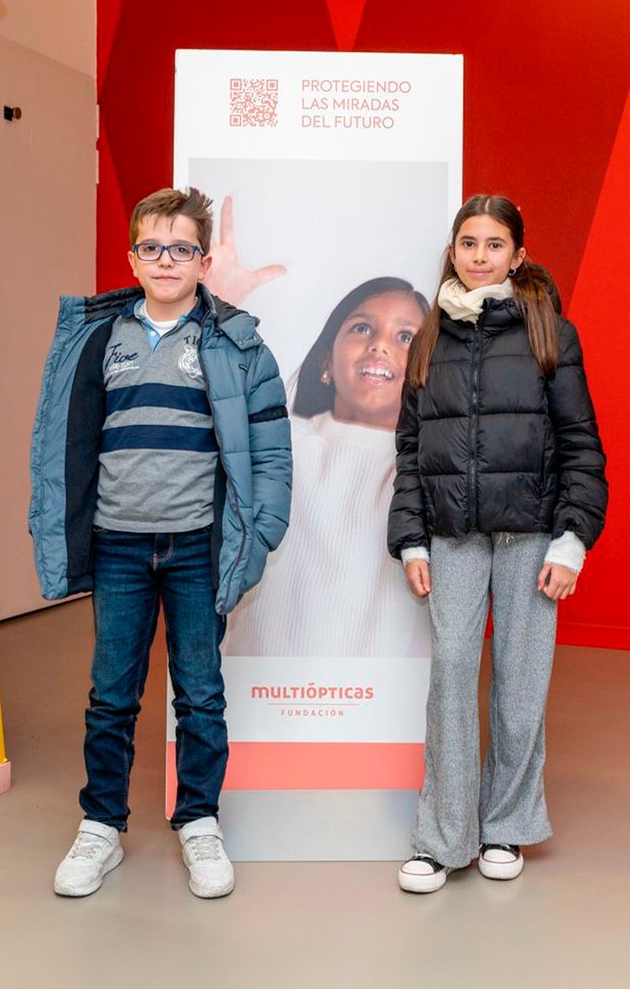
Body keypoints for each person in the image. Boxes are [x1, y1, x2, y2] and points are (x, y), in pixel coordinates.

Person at [29, 187, 292, 899]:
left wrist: (257, 535)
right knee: (111, 694)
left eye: (181, 249)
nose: (166, 259)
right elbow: (63, 441)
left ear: (203, 261)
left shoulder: (236, 344)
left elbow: (269, 454)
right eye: (152, 247)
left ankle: (199, 821)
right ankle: (101, 827)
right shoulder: (98, 338)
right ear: (132, 258)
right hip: (118, 545)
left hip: (197, 549)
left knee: (201, 695)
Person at [387, 194, 607, 893]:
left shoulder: (550, 333)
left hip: (531, 531)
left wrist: (572, 537)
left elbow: (580, 443)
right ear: (451, 250)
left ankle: (504, 825)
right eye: (466, 243)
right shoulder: (427, 338)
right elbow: (410, 448)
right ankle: (441, 836)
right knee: (452, 674)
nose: (478, 256)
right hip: (451, 533)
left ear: (517, 254)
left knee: (518, 682)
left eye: (492, 244)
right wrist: (410, 539)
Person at [224, 276, 431, 657]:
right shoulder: (283, 439)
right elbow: (222, 408)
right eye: (362, 327)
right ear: (325, 363)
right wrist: (220, 302)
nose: (380, 345)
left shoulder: (429, 464)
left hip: (382, 693)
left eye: (406, 337)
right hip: (265, 688)